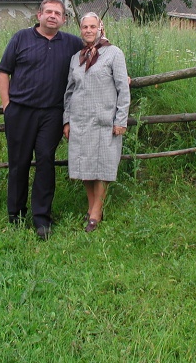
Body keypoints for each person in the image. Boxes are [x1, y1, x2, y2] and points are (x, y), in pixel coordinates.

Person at [0, 0, 84, 240]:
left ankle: (42, 218)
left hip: (52, 114)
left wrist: (121, 74)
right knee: (19, 162)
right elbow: (4, 71)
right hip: (20, 112)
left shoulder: (71, 43)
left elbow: (95, 50)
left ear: (64, 19)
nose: (52, 16)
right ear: (39, 15)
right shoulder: (20, 38)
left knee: (45, 161)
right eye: (48, 12)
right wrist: (7, 105)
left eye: (58, 13)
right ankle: (15, 214)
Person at [63, 12, 131, 233]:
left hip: (105, 121)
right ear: (81, 30)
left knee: (103, 166)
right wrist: (67, 121)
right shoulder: (76, 58)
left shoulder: (114, 54)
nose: (88, 30)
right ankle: (94, 208)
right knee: (85, 166)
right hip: (80, 122)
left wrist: (121, 120)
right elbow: (69, 92)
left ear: (101, 27)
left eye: (93, 26)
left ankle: (95, 213)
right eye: (85, 27)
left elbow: (123, 89)